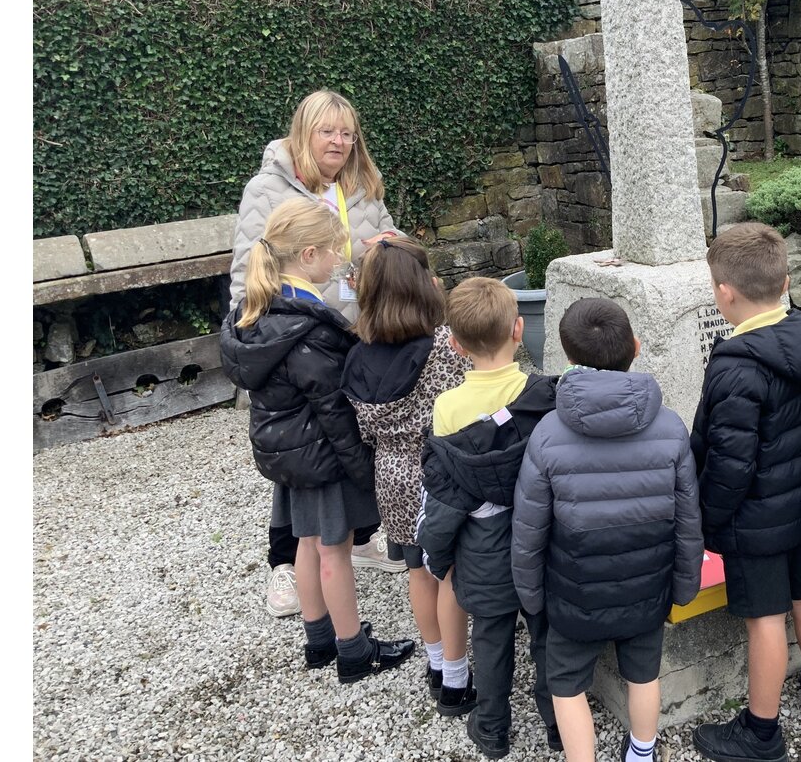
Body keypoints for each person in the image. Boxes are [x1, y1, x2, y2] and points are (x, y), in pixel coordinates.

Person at [218, 197, 417, 682]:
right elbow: (334, 411)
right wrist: (362, 468)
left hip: (288, 451)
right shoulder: (308, 327)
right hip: (322, 455)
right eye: (333, 252)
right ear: (308, 255)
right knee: (335, 551)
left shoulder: (259, 312)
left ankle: (319, 639)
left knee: (306, 543)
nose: (339, 262)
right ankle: (353, 651)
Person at [229, 89, 405, 619]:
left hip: (355, 337)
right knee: (301, 451)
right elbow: (247, 272)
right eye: (328, 131)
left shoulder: (362, 185)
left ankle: (358, 537)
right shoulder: (268, 189)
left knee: (351, 439)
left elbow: (383, 243)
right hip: (298, 345)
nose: (339, 142)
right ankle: (284, 562)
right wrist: (267, 341)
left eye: (348, 133)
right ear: (303, 133)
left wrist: (389, 247)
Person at [512, 298, 703, 762]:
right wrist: (684, 586)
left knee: (566, 684)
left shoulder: (548, 433)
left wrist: (531, 597)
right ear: (635, 347)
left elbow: (529, 528)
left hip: (574, 592)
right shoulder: (671, 427)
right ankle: (642, 751)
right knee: (644, 675)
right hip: (647, 584)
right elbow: (688, 520)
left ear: (568, 357)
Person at [689, 223, 801, 762]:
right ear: (785, 282)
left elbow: (729, 465)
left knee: (764, 617)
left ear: (724, 293)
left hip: (753, 519)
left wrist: (708, 519)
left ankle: (761, 731)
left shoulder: (737, 366)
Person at [417, 277, 561, 758]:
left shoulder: (447, 408)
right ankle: (559, 724)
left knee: (492, 637)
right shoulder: (542, 395)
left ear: (455, 345)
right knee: (546, 635)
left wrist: (437, 553)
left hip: (481, 544)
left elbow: (446, 492)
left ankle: (493, 727)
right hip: (539, 535)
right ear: (519, 329)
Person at [341, 236, 472, 700]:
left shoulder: (356, 355)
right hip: (440, 473)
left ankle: (435, 663)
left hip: (391, 474)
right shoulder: (443, 347)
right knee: (448, 575)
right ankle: (455, 678)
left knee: (417, 571)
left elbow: (363, 430)